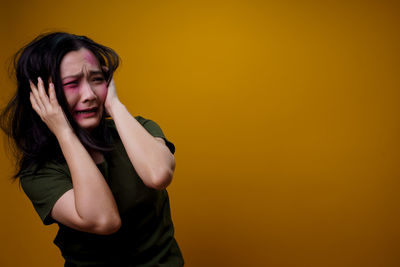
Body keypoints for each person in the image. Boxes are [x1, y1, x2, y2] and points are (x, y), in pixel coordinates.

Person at [0, 32, 184, 267]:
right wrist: (64, 133)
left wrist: (114, 105)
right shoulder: (39, 171)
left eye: (97, 79)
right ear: (40, 94)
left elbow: (159, 175)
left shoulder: (139, 128)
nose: (89, 95)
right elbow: (104, 220)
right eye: (71, 84)